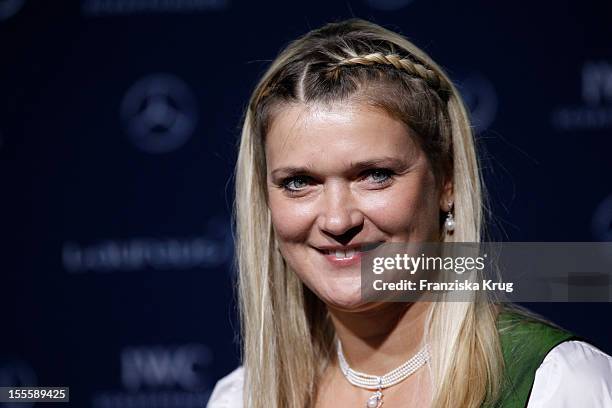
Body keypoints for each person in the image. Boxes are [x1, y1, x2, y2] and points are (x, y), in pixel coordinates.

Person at [207, 18, 612, 408]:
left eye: (375, 175)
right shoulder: (241, 397)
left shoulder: (556, 384)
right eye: (298, 182)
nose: (337, 220)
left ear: (447, 183)